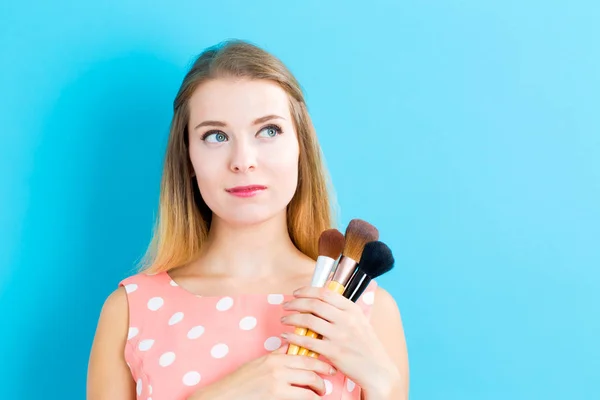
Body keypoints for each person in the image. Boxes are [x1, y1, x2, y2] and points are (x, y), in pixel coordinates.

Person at [87, 39, 409, 400]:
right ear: (188, 158)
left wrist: (387, 386)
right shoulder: (129, 311)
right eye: (216, 136)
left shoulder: (365, 310)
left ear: (301, 147)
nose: (243, 160)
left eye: (269, 131)